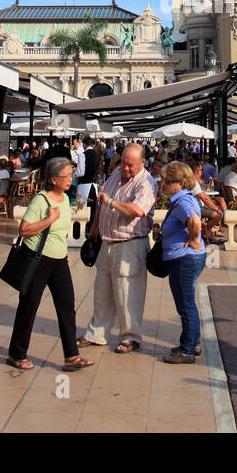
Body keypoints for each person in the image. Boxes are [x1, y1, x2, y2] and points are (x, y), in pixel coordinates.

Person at [6, 158, 96, 372]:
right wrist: (48, 220)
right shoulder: (40, 200)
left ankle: (71, 356)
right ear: (54, 179)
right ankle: (17, 354)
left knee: (67, 306)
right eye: (67, 176)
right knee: (29, 306)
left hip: (59, 259)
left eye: (71, 175)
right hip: (38, 259)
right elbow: (24, 230)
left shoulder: (65, 198)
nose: (71, 179)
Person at [78, 143, 155, 354]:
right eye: (123, 163)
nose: (126, 168)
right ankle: (97, 333)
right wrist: (95, 228)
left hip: (130, 244)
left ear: (142, 163)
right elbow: (102, 204)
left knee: (127, 293)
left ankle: (130, 336)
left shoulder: (146, 183)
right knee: (102, 290)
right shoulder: (115, 175)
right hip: (107, 241)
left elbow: (137, 210)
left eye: (131, 165)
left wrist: (112, 203)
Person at [158, 162, 206, 363]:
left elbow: (194, 221)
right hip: (186, 258)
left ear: (180, 183)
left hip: (184, 258)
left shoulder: (183, 202)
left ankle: (187, 350)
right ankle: (191, 341)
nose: (164, 185)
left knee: (185, 305)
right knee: (186, 303)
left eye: (168, 182)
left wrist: (194, 239)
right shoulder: (183, 199)